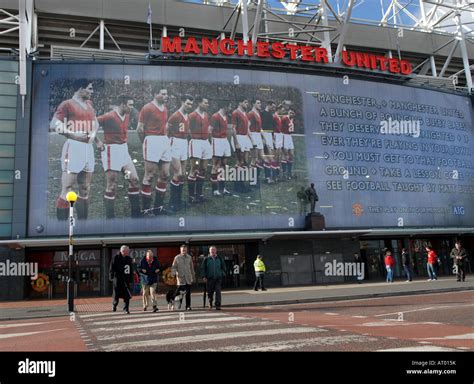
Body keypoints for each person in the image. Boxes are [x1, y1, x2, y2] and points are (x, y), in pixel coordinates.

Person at [50, 78, 104, 221]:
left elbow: (95, 123)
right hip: (73, 147)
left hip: (88, 149)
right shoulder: (67, 104)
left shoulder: (89, 104)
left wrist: (97, 140)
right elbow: (54, 124)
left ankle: (83, 225)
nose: (92, 92)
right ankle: (62, 229)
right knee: (67, 188)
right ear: (81, 89)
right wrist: (73, 134)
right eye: (90, 88)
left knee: (85, 188)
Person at [97, 95, 140, 218]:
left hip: (123, 151)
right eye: (130, 105)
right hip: (111, 151)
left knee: (133, 179)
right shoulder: (109, 116)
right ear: (123, 104)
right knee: (112, 185)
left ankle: (136, 216)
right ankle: (110, 218)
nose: (132, 107)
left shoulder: (127, 115)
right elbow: (92, 124)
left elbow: (138, 115)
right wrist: (97, 141)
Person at [137, 85, 170, 216]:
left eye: (167, 93)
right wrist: (145, 142)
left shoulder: (165, 108)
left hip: (164, 141)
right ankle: (145, 209)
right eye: (163, 93)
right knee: (149, 176)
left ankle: (158, 208)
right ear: (155, 94)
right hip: (151, 140)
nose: (166, 96)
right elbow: (140, 128)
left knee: (165, 175)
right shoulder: (147, 108)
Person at [168, 94, 194, 212]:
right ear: (182, 102)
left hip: (184, 143)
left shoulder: (187, 115)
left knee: (182, 173)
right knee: (177, 173)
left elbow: (187, 129)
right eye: (188, 103)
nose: (189, 106)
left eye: (191, 104)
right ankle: (172, 203)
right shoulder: (175, 115)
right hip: (175, 143)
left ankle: (178, 200)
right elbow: (167, 129)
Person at [188, 96, 213, 204]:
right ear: (199, 103)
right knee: (195, 167)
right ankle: (191, 196)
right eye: (205, 102)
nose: (207, 105)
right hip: (196, 143)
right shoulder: (192, 115)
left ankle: (199, 194)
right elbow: (188, 128)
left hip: (205, 143)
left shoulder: (206, 115)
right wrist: (193, 138)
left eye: (208, 103)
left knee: (203, 168)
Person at [210, 100, 233, 196]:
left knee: (223, 165)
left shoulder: (226, 117)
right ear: (225, 106)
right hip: (217, 140)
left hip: (224, 141)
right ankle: (215, 190)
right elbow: (210, 130)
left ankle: (222, 188)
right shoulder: (215, 116)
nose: (230, 109)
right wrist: (211, 143)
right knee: (216, 165)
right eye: (230, 106)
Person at [109, 245, 133, 313]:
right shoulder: (115, 258)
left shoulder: (129, 259)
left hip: (126, 280)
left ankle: (126, 309)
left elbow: (130, 269)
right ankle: (114, 304)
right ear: (123, 251)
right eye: (127, 251)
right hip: (117, 280)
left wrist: (131, 279)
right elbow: (111, 268)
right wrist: (111, 277)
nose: (128, 252)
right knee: (116, 295)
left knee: (127, 295)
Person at [171, 244, 195, 310]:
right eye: (182, 250)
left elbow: (191, 268)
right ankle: (176, 304)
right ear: (180, 250)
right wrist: (173, 274)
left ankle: (188, 306)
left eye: (185, 250)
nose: (184, 251)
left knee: (188, 293)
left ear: (186, 250)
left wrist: (193, 276)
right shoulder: (177, 258)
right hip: (181, 279)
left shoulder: (189, 257)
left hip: (188, 278)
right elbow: (174, 267)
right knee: (179, 293)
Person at [202, 246, 226, 310]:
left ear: (216, 251)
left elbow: (223, 267)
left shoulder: (219, 258)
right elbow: (203, 269)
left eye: (214, 250)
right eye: (211, 250)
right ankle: (210, 302)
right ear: (209, 251)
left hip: (218, 278)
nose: (212, 251)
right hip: (210, 278)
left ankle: (218, 305)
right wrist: (204, 276)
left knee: (218, 291)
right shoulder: (206, 259)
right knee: (210, 292)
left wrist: (222, 274)